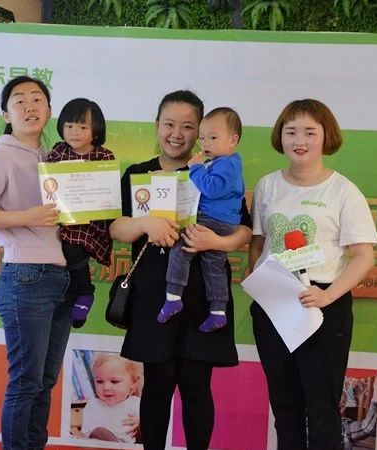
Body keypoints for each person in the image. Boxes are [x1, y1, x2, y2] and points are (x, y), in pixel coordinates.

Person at [109, 90, 252, 449]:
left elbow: (245, 232)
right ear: (157, 126)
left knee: (196, 386)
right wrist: (145, 224)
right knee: (156, 385)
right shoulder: (138, 174)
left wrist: (215, 242)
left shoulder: (217, 173)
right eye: (169, 124)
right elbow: (115, 228)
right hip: (154, 295)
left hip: (204, 296)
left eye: (188, 127)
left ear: (201, 132)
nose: (177, 134)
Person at [248, 99, 377, 450]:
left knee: (322, 409)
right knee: (285, 408)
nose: (299, 140)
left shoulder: (343, 191)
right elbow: (257, 243)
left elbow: (364, 256)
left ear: (325, 137)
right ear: (280, 137)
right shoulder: (267, 186)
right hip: (275, 305)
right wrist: (258, 284)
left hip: (323, 303)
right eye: (291, 132)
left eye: (309, 132)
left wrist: (328, 295)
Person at [0, 76, 70, 450]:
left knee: (44, 382)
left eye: (38, 99)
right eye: (19, 101)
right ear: (6, 114)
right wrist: (28, 216)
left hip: (62, 278)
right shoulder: (0, 154)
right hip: (26, 277)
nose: (30, 106)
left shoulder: (54, 157)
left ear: (49, 110)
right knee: (26, 383)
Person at [160, 107, 245, 332]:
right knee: (214, 265)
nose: (206, 144)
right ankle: (218, 311)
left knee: (181, 248)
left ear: (233, 140)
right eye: (203, 138)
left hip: (212, 219)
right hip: (223, 222)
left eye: (213, 138)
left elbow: (211, 188)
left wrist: (196, 168)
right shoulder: (224, 162)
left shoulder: (227, 164)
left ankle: (173, 297)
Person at [46, 98, 115, 328]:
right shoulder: (58, 151)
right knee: (60, 242)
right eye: (69, 126)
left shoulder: (104, 156)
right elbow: (46, 182)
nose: (74, 132)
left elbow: (109, 192)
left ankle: (85, 291)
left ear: (96, 131)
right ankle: (76, 294)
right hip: (61, 216)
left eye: (83, 127)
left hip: (91, 221)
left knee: (71, 240)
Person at [80, 352, 142, 443]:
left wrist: (140, 421)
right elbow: (87, 431)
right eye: (99, 381)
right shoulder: (93, 405)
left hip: (133, 445)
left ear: (133, 383)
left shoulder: (137, 403)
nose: (106, 387)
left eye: (114, 381)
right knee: (99, 432)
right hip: (104, 445)